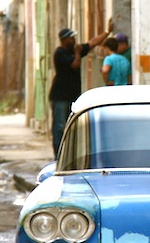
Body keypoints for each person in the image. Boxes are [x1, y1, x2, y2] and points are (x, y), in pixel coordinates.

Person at [48, 18, 113, 156]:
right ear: (64, 40)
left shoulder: (74, 50)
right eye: (71, 38)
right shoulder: (60, 53)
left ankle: (68, 155)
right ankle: (58, 156)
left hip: (72, 95)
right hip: (60, 96)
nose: (74, 40)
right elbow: (75, 64)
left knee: (70, 127)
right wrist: (77, 53)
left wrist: (107, 32)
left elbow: (92, 43)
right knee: (59, 126)